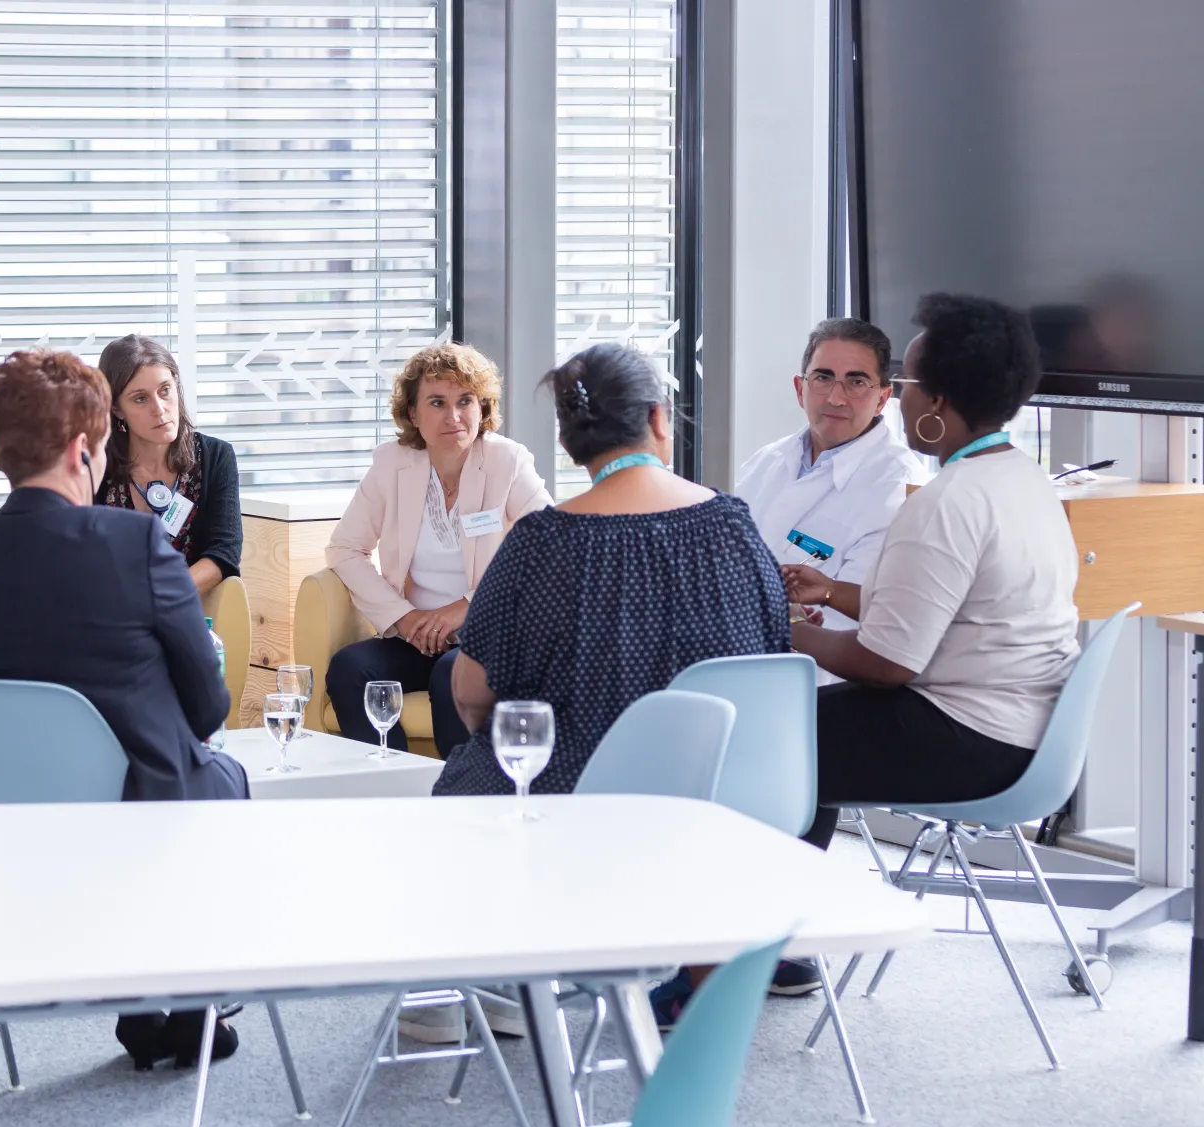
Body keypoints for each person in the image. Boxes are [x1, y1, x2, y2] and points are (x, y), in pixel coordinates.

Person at [0, 348, 246, 1070]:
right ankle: (189, 1001)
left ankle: (142, 1001)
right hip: (125, 831)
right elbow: (208, 706)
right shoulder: (133, 542)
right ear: (82, 451)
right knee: (223, 777)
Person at [786, 293, 1078, 852]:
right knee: (795, 726)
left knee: (764, 734)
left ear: (937, 400)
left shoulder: (945, 501)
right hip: (1024, 732)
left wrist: (785, 630)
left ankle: (780, 925)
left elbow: (886, 664)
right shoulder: (1021, 479)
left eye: (908, 384)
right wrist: (835, 593)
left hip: (970, 739)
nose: (898, 399)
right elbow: (948, 609)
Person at [435, 341, 790, 795]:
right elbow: (773, 652)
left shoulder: (540, 544)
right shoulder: (733, 525)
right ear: (659, 418)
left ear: (568, 443)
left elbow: (471, 695)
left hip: (571, 802)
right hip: (721, 797)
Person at [322, 343, 550, 757]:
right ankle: (392, 790)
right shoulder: (392, 464)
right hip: (417, 636)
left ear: (482, 407)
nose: (454, 416)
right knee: (351, 669)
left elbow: (550, 551)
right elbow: (345, 549)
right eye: (437, 402)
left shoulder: (508, 462)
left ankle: (460, 798)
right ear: (413, 414)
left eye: (465, 401)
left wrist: (466, 607)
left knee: (452, 673)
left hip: (489, 633)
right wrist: (404, 619)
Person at [735, 318, 925, 646]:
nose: (836, 398)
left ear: (882, 398)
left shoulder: (899, 489)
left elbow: (862, 616)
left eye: (856, 382)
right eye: (823, 378)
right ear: (800, 389)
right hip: (741, 654)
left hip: (822, 679)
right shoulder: (766, 461)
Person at [93, 334, 241, 599]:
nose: (159, 409)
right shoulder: (95, 466)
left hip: (184, 609)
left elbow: (224, 553)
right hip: (114, 616)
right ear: (116, 409)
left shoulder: (216, 457)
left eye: (165, 390)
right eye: (140, 398)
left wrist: (158, 596)